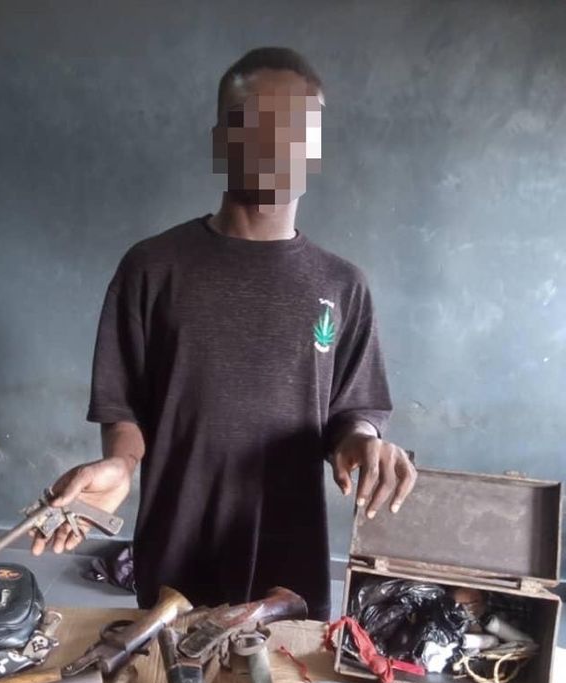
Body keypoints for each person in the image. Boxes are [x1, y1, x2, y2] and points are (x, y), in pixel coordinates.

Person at [33, 47, 417, 620]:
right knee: (169, 669)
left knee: (281, 673)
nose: (276, 145)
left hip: (289, 551)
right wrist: (120, 466)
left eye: (296, 129)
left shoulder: (342, 285)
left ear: (314, 148)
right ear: (222, 140)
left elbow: (351, 411)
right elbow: (124, 406)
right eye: (256, 123)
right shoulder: (151, 268)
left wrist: (362, 442)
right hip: (177, 543)